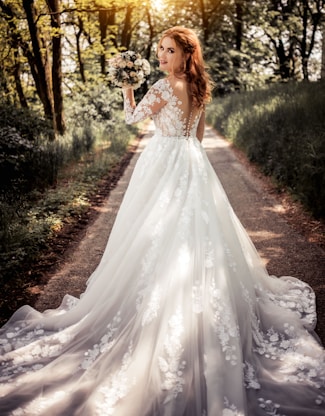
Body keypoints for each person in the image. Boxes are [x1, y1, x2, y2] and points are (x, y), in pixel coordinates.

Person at [0, 26, 324, 415]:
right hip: (192, 163)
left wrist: (126, 89)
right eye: (159, 50)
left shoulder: (164, 85)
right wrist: (189, 162)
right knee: (198, 235)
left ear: (186, 54)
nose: (161, 56)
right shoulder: (201, 86)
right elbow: (199, 136)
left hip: (163, 162)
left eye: (168, 51)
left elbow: (131, 120)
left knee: (155, 233)